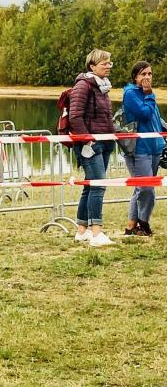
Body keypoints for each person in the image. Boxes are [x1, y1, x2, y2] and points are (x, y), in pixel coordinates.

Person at [70, 49, 116, 248]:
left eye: (109, 63)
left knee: (90, 186)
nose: (108, 66)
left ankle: (82, 231)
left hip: (105, 142)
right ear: (92, 66)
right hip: (90, 145)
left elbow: (105, 117)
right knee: (98, 185)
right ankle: (96, 233)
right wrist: (88, 141)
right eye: (104, 63)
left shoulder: (103, 87)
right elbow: (75, 116)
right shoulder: (83, 85)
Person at [122, 61, 165, 236]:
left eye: (149, 74)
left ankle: (131, 227)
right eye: (143, 74)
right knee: (146, 188)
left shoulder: (148, 94)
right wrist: (149, 95)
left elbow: (155, 119)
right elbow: (145, 114)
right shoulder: (130, 94)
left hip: (155, 147)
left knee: (141, 187)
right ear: (135, 77)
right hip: (139, 149)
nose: (147, 77)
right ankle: (143, 222)